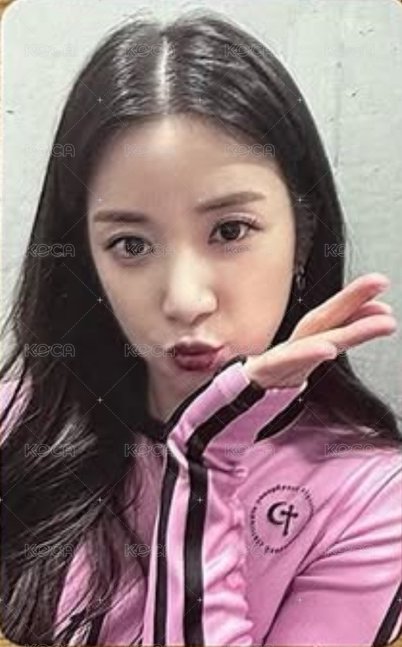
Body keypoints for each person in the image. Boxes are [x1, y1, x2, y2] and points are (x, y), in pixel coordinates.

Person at [1, 10, 401, 646]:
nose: (185, 301)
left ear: (302, 236)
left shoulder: (372, 494)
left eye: (230, 231)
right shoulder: (23, 421)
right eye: (131, 244)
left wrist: (207, 457)